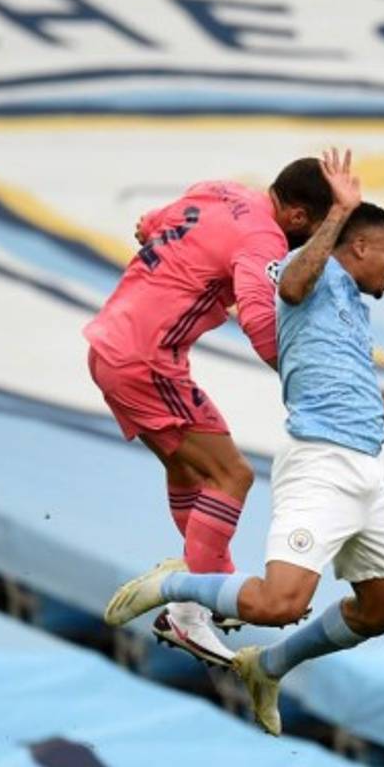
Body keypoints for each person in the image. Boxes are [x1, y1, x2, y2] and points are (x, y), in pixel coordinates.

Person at [104, 149, 384, 735]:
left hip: (364, 471)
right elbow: (290, 283)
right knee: (279, 604)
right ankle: (171, 588)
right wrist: (337, 214)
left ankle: (265, 668)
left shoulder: (350, 313)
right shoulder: (307, 277)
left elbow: (372, 403)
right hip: (320, 463)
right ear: (358, 246)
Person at [84, 155, 355, 667]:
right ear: (297, 217)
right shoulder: (264, 240)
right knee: (231, 475)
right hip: (146, 359)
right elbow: (258, 321)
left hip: (113, 344)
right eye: (318, 228)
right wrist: (309, 377)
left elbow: (149, 224)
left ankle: (215, 586)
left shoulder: (218, 190)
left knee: (190, 471)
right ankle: (189, 611)